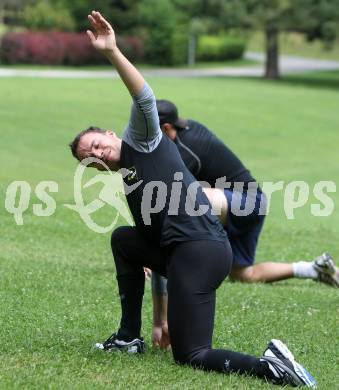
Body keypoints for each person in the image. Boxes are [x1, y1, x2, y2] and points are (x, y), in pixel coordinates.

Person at [69, 11, 316, 387]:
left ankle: (273, 366)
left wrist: (112, 53)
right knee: (124, 239)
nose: (99, 153)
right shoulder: (132, 182)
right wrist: (157, 319)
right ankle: (128, 337)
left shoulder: (141, 138)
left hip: (201, 252)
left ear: (109, 134)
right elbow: (155, 246)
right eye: (92, 156)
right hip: (186, 252)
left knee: (192, 354)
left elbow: (145, 98)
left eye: (98, 144)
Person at [149, 100, 339, 347]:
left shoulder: (187, 152)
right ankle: (313, 269)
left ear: (164, 128)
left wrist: (154, 251)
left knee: (183, 204)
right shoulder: (187, 129)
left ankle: (170, 268)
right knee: (243, 274)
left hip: (245, 203)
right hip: (245, 204)